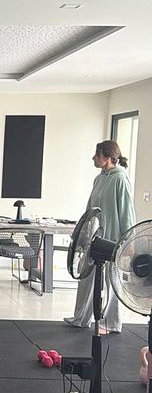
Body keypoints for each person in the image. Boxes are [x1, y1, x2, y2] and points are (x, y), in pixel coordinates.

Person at [64, 140, 136, 334]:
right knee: (86, 277)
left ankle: (113, 323)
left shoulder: (120, 178)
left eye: (96, 155)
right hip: (94, 238)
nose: (93, 158)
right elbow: (90, 209)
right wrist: (81, 232)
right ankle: (81, 318)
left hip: (113, 239)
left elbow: (126, 210)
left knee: (111, 282)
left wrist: (129, 239)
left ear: (107, 157)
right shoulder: (99, 178)